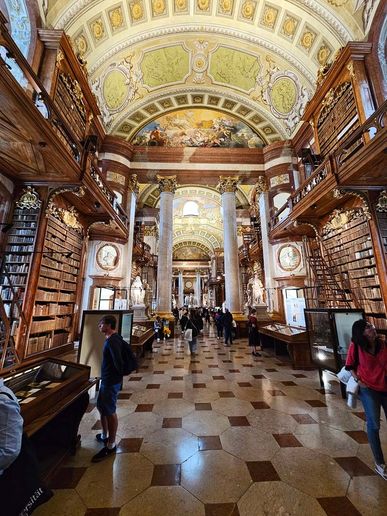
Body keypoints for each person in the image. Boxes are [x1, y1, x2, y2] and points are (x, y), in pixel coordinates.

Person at [345, 320, 387, 480]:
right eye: (368, 327)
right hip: (368, 388)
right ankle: (379, 463)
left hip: (385, 385)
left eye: (372, 326)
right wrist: (358, 380)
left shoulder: (383, 344)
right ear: (360, 333)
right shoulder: (356, 346)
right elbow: (350, 365)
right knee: (374, 423)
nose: (373, 328)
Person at [92, 315, 124, 463]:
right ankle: (104, 435)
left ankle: (111, 444)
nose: (99, 325)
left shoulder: (112, 342)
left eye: (102, 323)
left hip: (110, 382)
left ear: (109, 325)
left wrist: (113, 378)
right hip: (107, 380)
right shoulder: (111, 339)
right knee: (101, 406)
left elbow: (118, 363)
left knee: (110, 411)